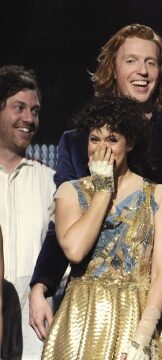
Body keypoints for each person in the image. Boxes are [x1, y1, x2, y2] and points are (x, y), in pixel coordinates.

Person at [28, 24, 162, 359]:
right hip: (88, 313)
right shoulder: (76, 141)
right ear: (113, 68)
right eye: (131, 61)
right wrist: (40, 285)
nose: (142, 71)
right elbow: (63, 228)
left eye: (151, 63)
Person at [41, 96, 162, 358]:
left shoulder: (159, 196)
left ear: (130, 144)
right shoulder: (70, 192)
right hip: (82, 322)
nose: (102, 148)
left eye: (112, 139)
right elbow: (75, 250)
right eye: (95, 139)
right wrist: (103, 189)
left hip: (138, 319)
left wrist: (143, 336)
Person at [0, 65, 56, 359]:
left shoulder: (50, 181)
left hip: (34, 322)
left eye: (34, 111)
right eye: (19, 107)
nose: (29, 119)